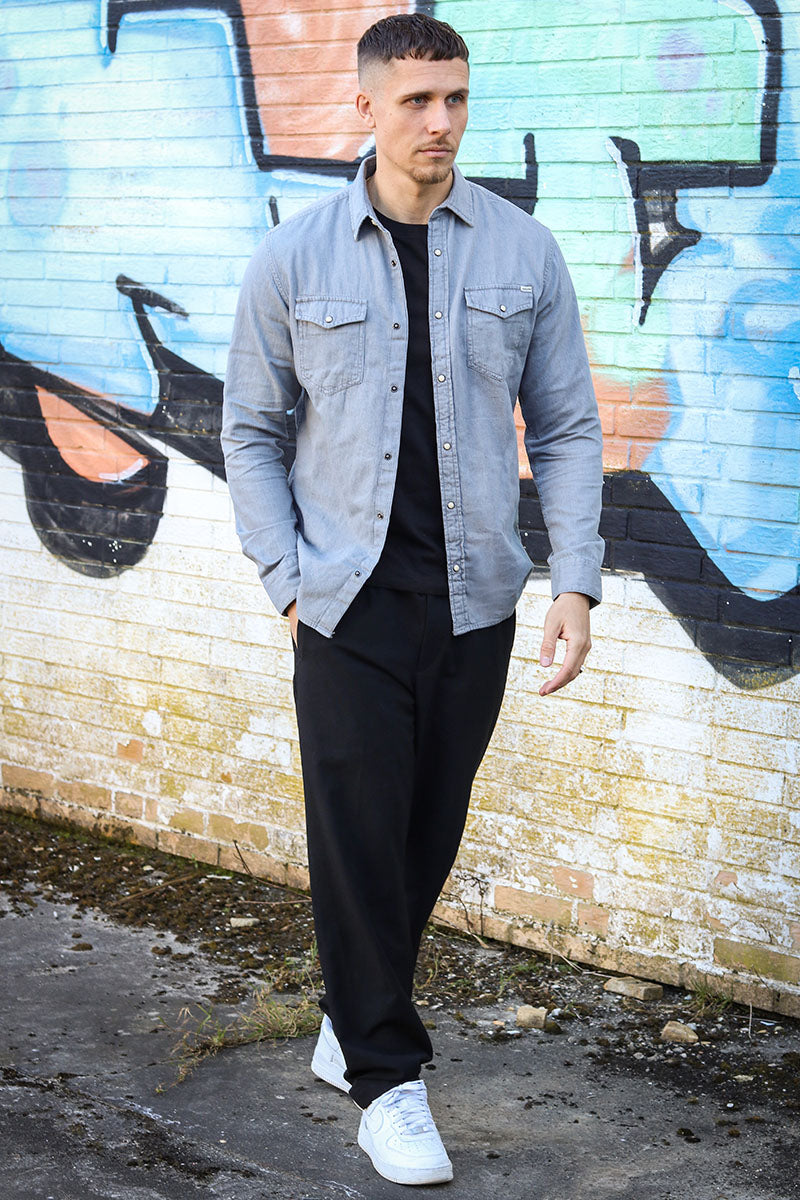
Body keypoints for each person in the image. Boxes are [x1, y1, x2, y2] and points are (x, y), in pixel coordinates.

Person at [221, 12, 604, 1187]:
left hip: (474, 600)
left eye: (455, 98)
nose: (440, 122)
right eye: (416, 101)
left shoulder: (523, 252)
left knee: (422, 834)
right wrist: (285, 579)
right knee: (354, 835)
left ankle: (353, 1011)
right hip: (344, 603)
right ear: (366, 106)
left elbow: (567, 426)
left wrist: (574, 582)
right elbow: (249, 429)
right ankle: (386, 1079)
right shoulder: (295, 257)